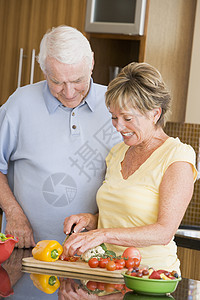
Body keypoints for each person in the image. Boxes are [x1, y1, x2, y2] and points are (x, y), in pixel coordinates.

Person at [62, 62, 197, 273]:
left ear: (155, 114)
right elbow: (120, 218)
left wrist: (103, 235)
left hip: (151, 276)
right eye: (114, 117)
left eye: (127, 118)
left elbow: (164, 232)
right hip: (108, 271)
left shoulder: (177, 156)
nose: (118, 126)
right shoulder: (117, 152)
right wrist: (91, 220)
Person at [0, 25, 121, 248]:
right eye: (57, 82)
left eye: (77, 81)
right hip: (27, 249)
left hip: (95, 255)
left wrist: (94, 220)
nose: (69, 92)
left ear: (91, 63)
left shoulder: (117, 106)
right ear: (44, 70)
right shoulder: (19, 104)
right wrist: (13, 212)